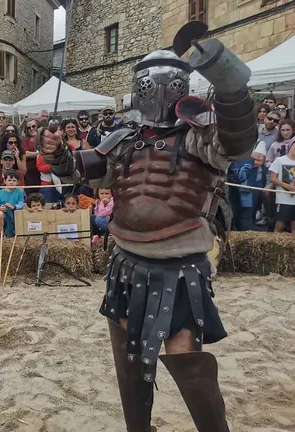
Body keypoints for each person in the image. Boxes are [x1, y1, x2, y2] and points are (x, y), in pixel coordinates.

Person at [40, 43, 257, 431]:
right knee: (129, 358)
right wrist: (56, 153)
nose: (155, 89)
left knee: (186, 358)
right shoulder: (123, 139)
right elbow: (80, 171)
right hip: (127, 260)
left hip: (180, 262)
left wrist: (230, 87)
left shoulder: (199, 137)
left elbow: (237, 140)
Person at [269, 136, 295, 233]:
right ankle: (275, 242)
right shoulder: (279, 160)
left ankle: (294, 243)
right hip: (283, 199)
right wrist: (288, 186)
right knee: (280, 225)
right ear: (291, 145)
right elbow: (273, 178)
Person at [0, 169, 24, 237]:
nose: (11, 182)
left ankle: (12, 234)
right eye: (9, 180)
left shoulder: (19, 192)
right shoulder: (0, 193)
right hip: (4, 214)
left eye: (14, 181)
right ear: (5, 181)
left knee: (11, 232)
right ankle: (0, 232)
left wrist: (14, 207)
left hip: (15, 214)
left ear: (18, 182)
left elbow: (21, 203)